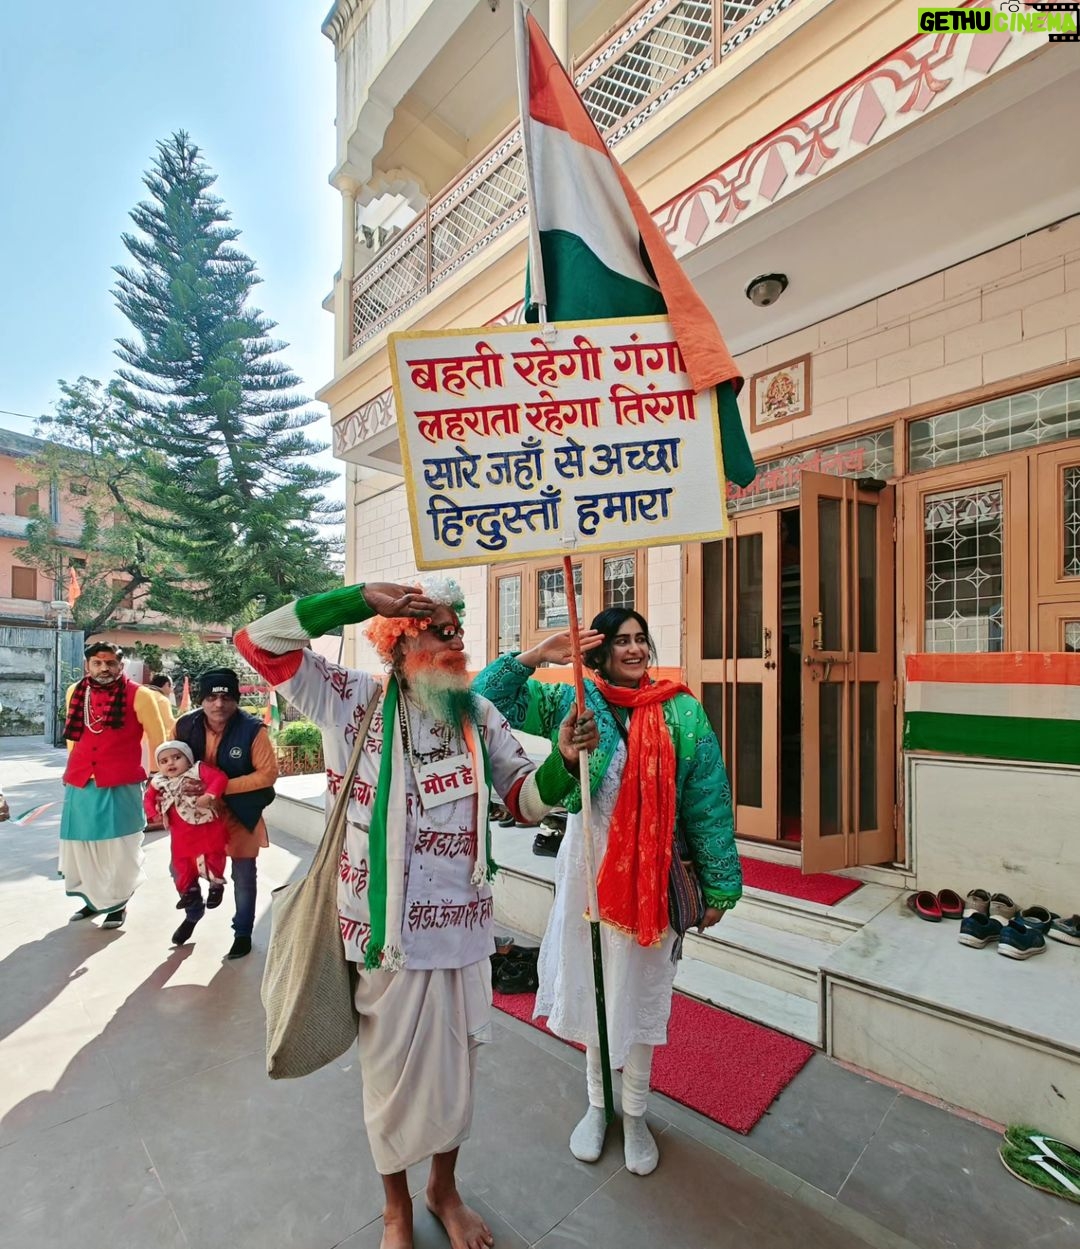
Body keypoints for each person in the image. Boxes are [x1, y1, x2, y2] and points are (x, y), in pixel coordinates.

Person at [234, 578, 597, 1249]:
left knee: (456, 1080)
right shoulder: (350, 699)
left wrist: (566, 763)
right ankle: (396, 1206)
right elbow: (257, 642)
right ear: (398, 641)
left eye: (457, 629)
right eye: (437, 629)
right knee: (390, 1083)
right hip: (386, 939)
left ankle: (443, 1190)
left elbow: (522, 798)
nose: (455, 640)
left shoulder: (478, 713)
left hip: (464, 934)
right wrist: (359, 599)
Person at [475, 609, 742, 1176]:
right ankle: (598, 1105)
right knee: (593, 985)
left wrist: (720, 883)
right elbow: (484, 700)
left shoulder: (681, 711)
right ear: (598, 653)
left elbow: (708, 799)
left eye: (641, 639)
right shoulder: (571, 701)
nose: (635, 649)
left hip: (653, 876)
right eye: (621, 641)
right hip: (588, 874)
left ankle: (637, 1111)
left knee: (643, 990)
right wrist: (535, 656)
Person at [59, 640, 171, 929]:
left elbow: (158, 739)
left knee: (120, 848)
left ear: (121, 665)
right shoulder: (75, 691)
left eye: (110, 663)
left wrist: (159, 777)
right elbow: (73, 738)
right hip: (81, 781)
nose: (104, 668)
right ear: (87, 665)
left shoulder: (140, 695)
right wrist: (72, 770)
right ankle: (92, 900)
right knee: (82, 845)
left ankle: (118, 904)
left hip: (121, 781)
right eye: (97, 663)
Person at [173, 668, 279, 959]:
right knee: (181, 867)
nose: (218, 704)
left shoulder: (252, 730)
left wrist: (218, 789)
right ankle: (193, 913)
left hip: (239, 812)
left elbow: (267, 774)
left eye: (226, 697)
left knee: (244, 874)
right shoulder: (184, 726)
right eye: (211, 697)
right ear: (201, 699)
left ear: (235, 699)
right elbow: (170, 763)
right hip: (196, 816)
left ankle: (242, 933)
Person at [144, 740, 230, 910]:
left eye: (177, 757)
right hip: (180, 830)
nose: (171, 763)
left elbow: (219, 778)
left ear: (189, 759)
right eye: (164, 761)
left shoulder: (197, 770)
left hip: (206, 825)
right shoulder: (158, 780)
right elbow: (148, 798)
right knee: (181, 859)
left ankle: (216, 885)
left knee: (212, 854)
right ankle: (190, 890)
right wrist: (153, 814)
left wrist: (209, 795)